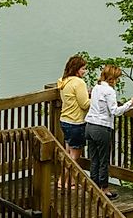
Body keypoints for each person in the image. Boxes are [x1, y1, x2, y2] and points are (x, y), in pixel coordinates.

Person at [85, 65, 133, 200]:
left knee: (94, 159)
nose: (118, 80)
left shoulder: (96, 88)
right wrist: (131, 103)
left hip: (90, 125)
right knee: (103, 159)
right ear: (112, 78)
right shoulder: (109, 91)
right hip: (102, 127)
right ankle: (103, 188)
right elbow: (115, 111)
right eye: (117, 78)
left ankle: (94, 186)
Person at [56, 55, 90, 189]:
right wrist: (97, 98)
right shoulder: (79, 83)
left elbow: (73, 97)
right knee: (74, 156)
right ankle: (61, 180)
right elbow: (85, 104)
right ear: (76, 69)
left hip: (64, 120)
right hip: (76, 122)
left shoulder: (63, 81)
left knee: (68, 152)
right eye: (83, 69)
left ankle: (70, 181)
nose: (84, 71)